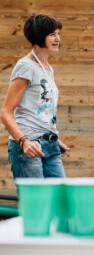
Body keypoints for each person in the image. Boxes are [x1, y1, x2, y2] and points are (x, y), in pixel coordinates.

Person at [1, 13, 69, 179]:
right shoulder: (26, 66)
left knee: (60, 200)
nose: (58, 39)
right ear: (40, 36)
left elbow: (41, 109)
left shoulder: (48, 69)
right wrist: (24, 142)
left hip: (51, 146)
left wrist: (50, 136)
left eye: (58, 34)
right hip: (29, 146)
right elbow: (6, 112)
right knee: (36, 203)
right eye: (52, 34)